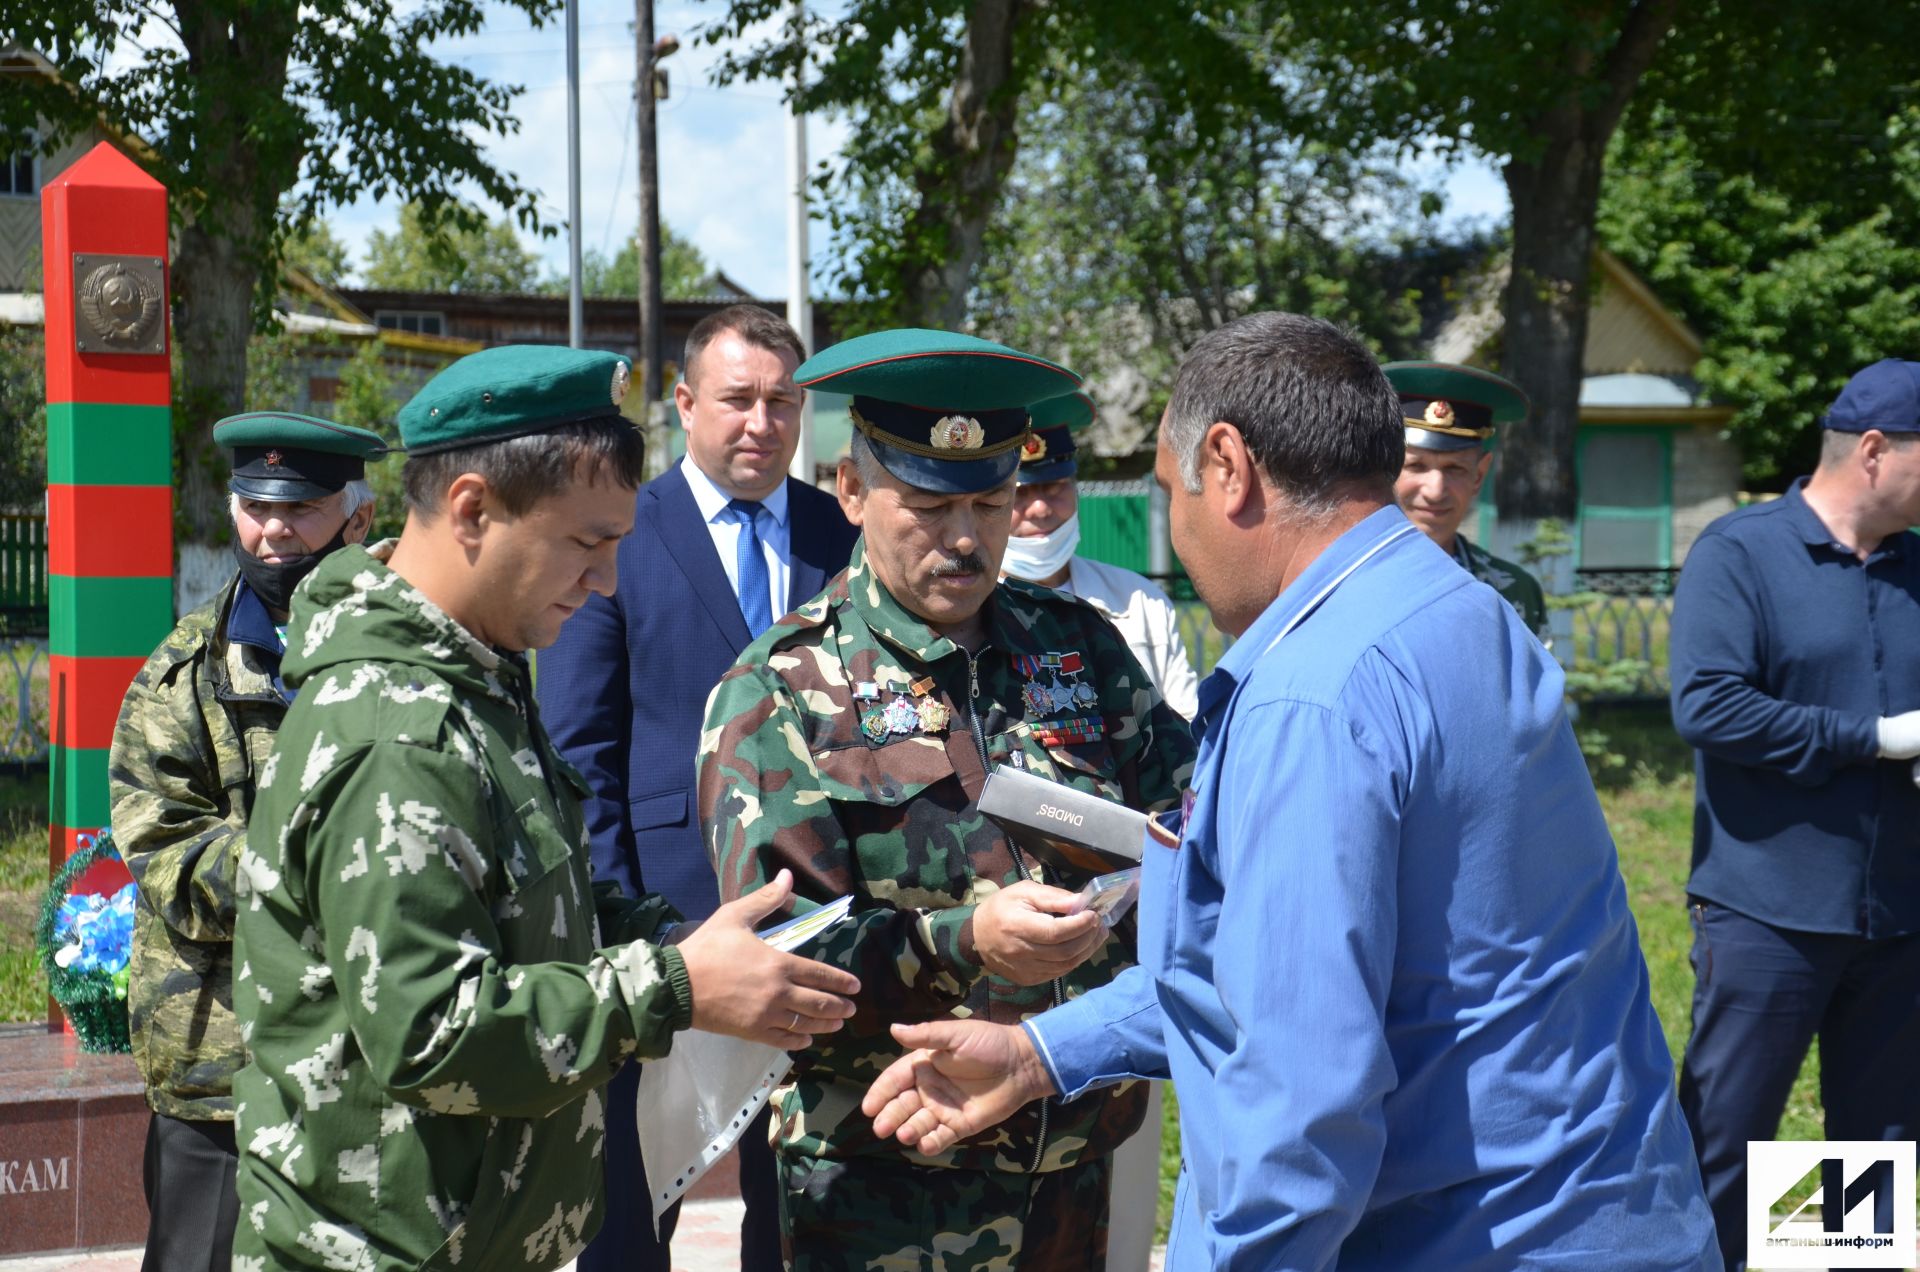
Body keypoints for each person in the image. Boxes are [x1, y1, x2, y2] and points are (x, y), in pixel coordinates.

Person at [862, 312, 1718, 1271]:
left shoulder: (1314, 696)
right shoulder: (1456, 611)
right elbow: (1280, 974)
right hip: (1605, 1212)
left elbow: (1299, 1102)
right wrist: (1039, 1055)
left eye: (1167, 488)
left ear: (1226, 466)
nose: (1175, 530)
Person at [229, 345, 860, 1271]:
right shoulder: (397, 734)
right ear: (473, 508)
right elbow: (433, 1033)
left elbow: (535, 905)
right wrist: (674, 987)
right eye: (587, 543)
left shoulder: (476, 679)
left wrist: (685, 941)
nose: (606, 581)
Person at [697, 328, 1197, 1270]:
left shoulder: (1080, 648)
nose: (965, 538)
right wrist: (967, 941)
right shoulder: (778, 689)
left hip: (1073, 1159)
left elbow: (1195, 828)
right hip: (886, 1186)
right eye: (929, 505)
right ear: (851, 492)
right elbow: (779, 960)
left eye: (990, 502)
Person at [539, 304, 856, 1272]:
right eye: (737, 400)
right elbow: (580, 747)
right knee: (634, 1207)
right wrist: (625, 925)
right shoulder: (626, 529)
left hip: (822, 919)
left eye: (782, 402)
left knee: (804, 1199)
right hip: (669, 926)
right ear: (683, 404)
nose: (761, 423)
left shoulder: (837, 529)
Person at [109, 412, 384, 1272]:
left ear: (358, 518)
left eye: (302, 508)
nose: (274, 530)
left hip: (385, 1057)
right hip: (227, 1074)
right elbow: (173, 862)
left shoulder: (412, 656)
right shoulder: (181, 676)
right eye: (256, 505)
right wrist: (338, 865)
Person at [1669, 357, 1920, 1270]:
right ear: (1875, 450)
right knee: (1728, 1136)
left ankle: (1838, 1265)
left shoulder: (1916, 565)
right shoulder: (1742, 553)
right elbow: (1709, 707)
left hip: (1897, 913)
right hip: (1765, 911)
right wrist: (1876, 739)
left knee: (1875, 1141)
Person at [1003, 391, 1199, 719]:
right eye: (1019, 493)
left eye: (1055, 487)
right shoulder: (964, 611)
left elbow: (1187, 727)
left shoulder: (1139, 602)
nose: (1040, 508)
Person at [1386, 360, 1549, 639]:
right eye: (1416, 466)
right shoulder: (1335, 582)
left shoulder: (1513, 592)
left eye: (1455, 469)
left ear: (1479, 475)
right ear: (1385, 468)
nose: (1435, 490)